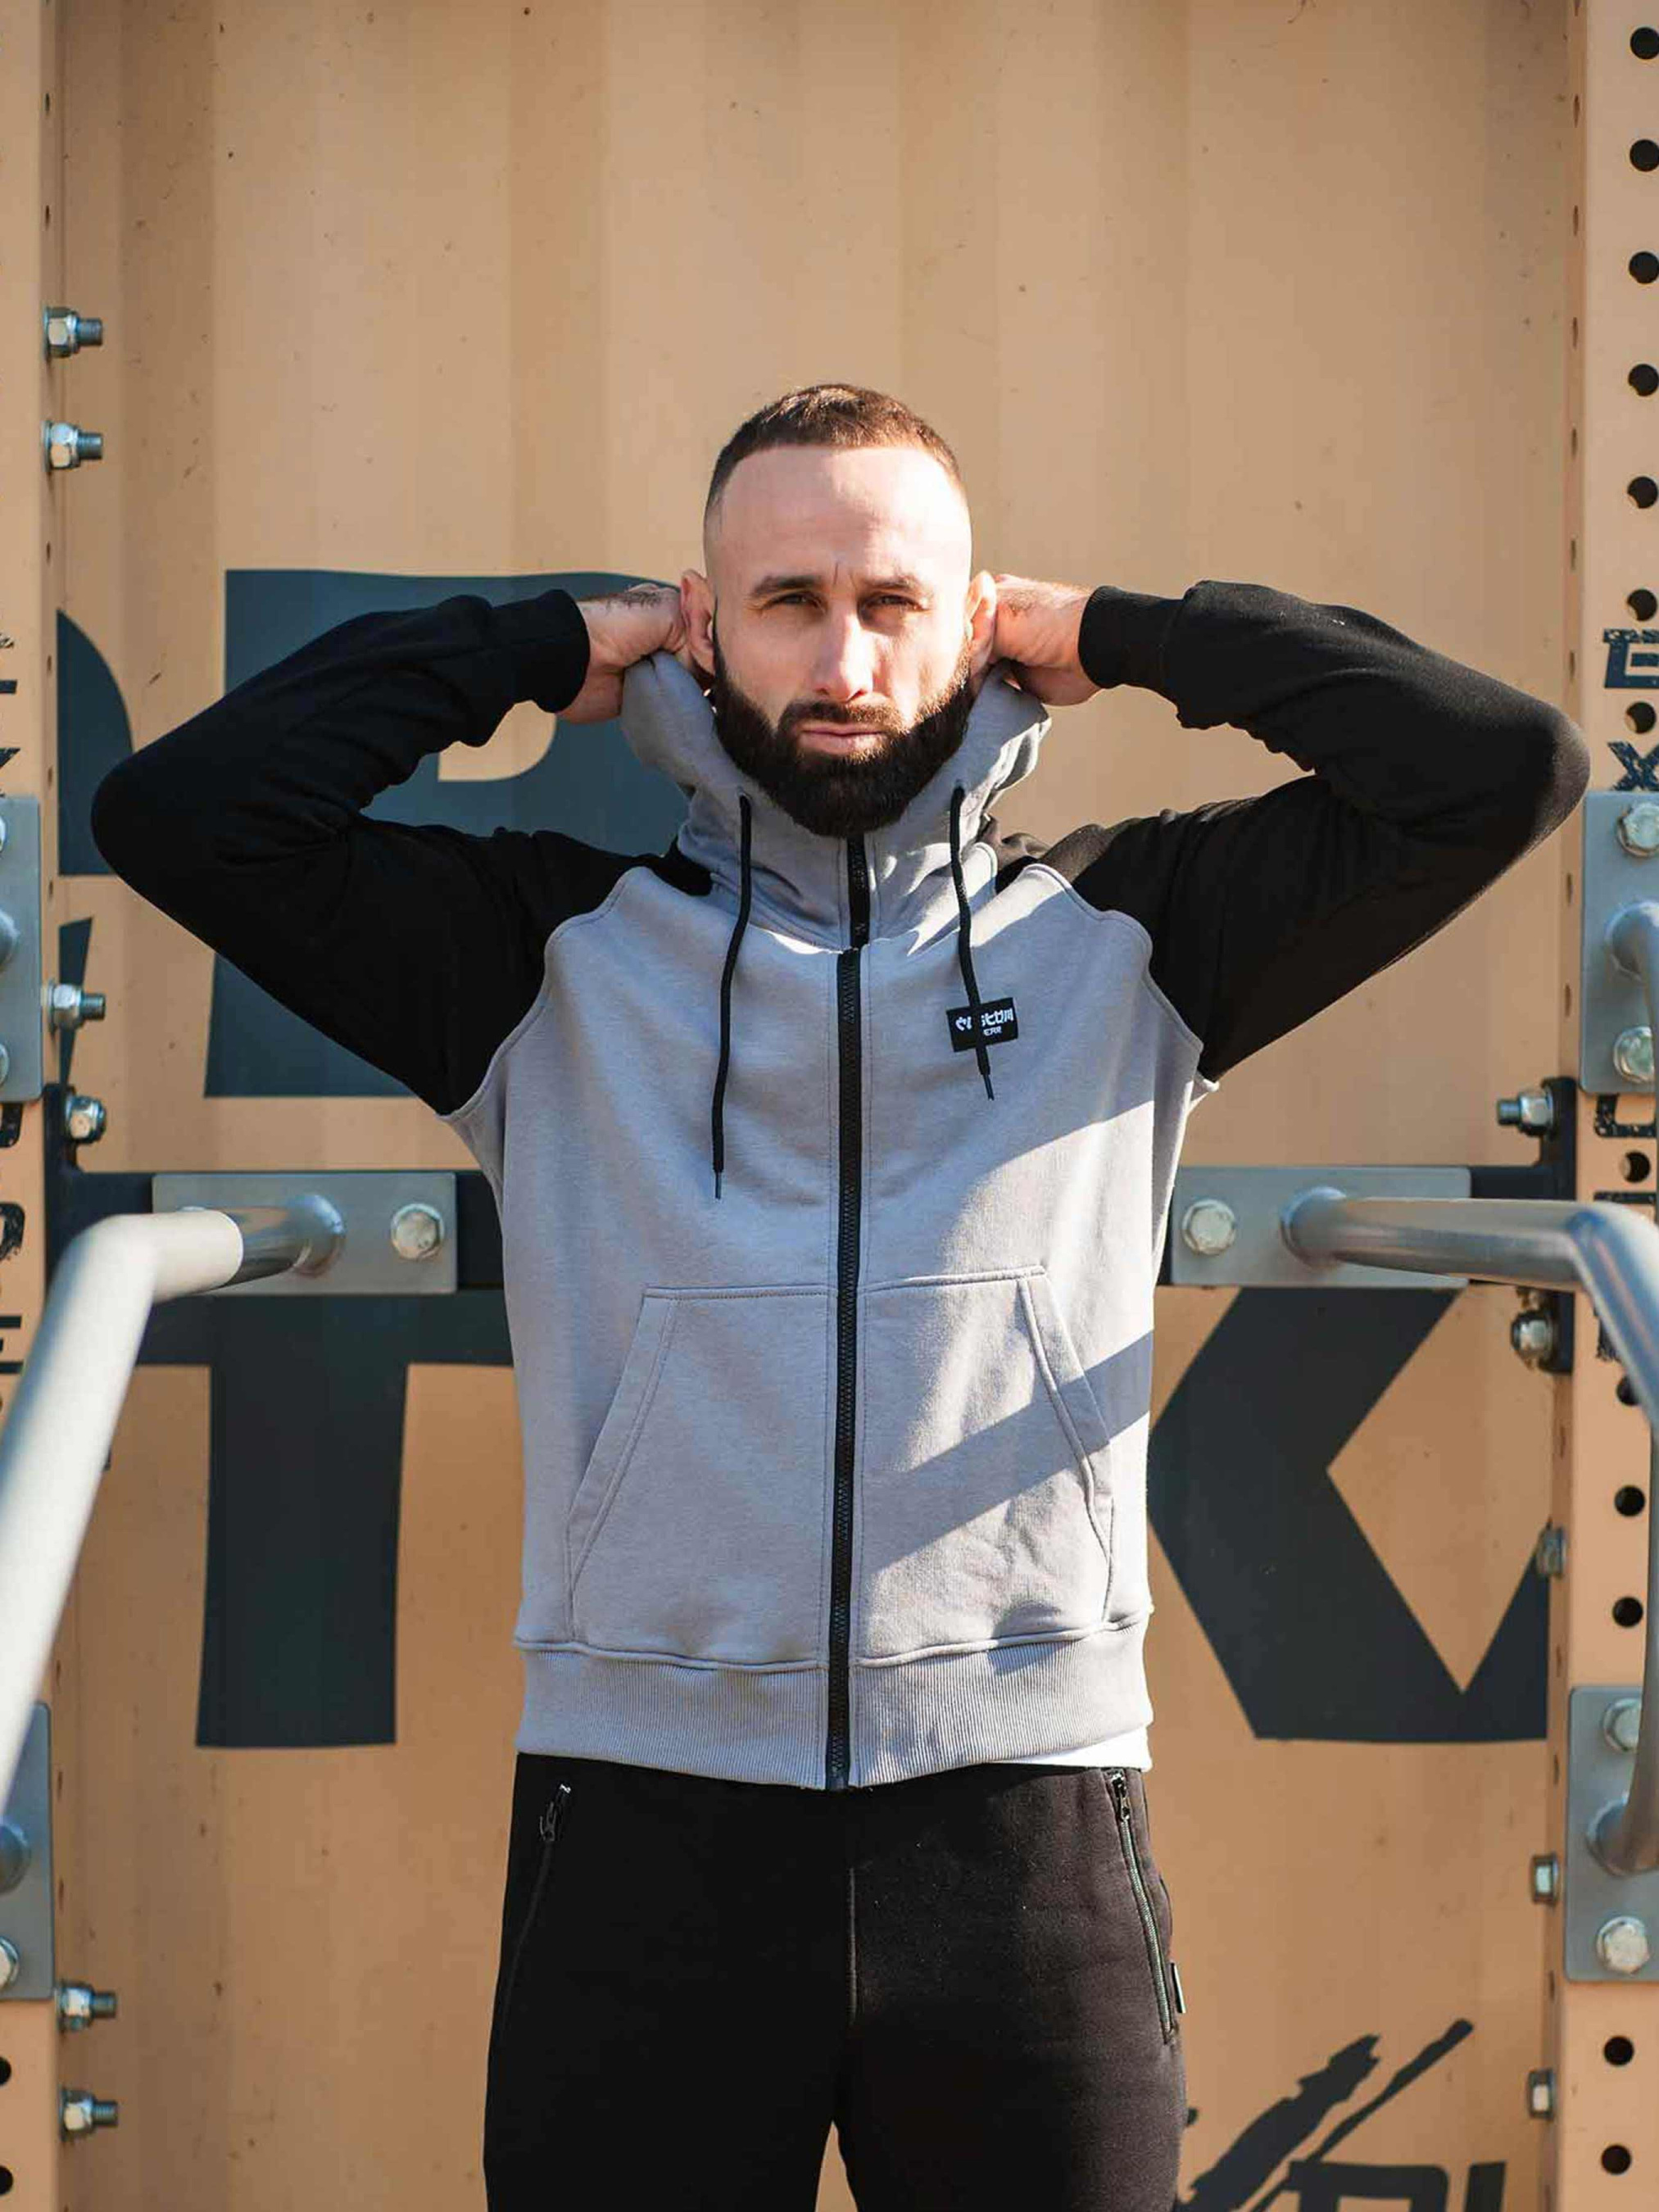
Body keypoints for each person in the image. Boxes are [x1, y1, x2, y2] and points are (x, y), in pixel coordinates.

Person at [89, 382, 1590, 2210]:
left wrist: (1123, 634)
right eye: (787, 602)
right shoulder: (543, 961)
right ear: (703, 629)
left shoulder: (1135, 935)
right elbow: (182, 816)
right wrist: (540, 645)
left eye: (894, 603)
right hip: (639, 1839)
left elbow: (1501, 769)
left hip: (1029, 1834)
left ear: (976, 626)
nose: (845, 661)